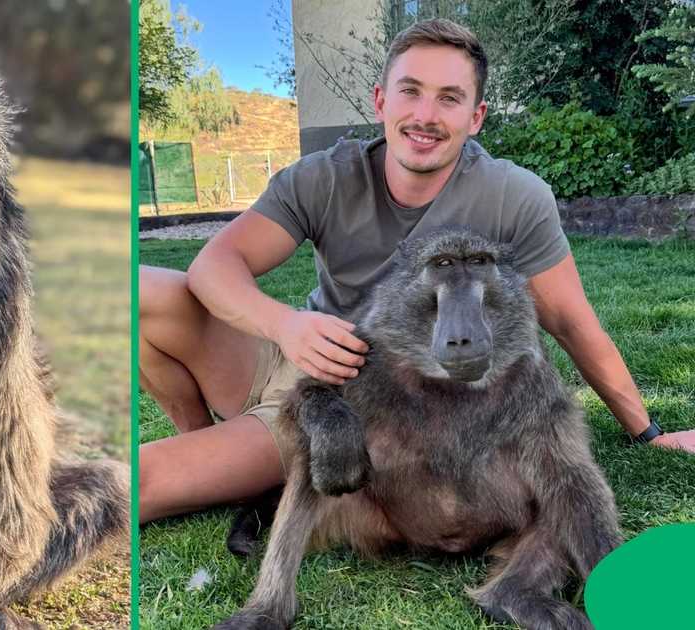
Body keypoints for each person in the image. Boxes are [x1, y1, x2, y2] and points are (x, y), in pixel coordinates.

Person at [138, 18, 695, 524]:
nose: (425, 116)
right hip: (290, 350)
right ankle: (214, 453)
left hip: (351, 403)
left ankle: (232, 462)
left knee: (141, 482)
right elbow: (213, 267)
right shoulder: (324, 177)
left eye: (450, 99)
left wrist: (647, 433)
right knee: (133, 291)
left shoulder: (512, 196)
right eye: (411, 91)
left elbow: (572, 322)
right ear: (381, 99)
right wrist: (284, 325)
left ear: (475, 117)